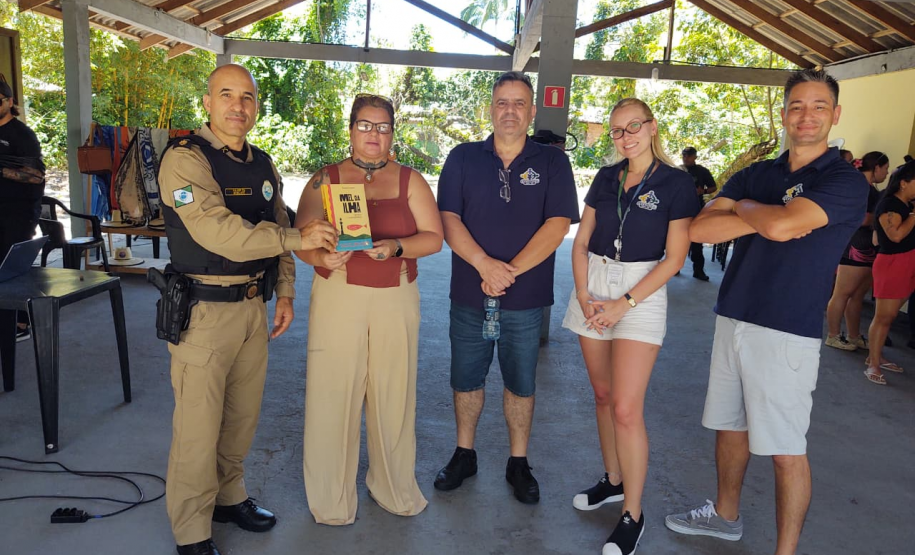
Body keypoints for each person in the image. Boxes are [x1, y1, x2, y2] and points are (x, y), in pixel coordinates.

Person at [665, 68, 868, 555]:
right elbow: (700, 230)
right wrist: (769, 214)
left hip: (786, 329)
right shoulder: (759, 173)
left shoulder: (843, 180)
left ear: (836, 114)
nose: (806, 116)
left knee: (785, 449)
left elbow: (778, 228)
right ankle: (725, 516)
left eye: (819, 106)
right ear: (783, 114)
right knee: (729, 426)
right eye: (797, 106)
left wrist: (745, 210)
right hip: (734, 314)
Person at [157, 64, 337, 555]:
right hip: (203, 311)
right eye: (227, 95)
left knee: (241, 418)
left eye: (248, 97)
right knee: (198, 428)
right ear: (207, 102)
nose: (238, 106)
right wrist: (298, 238)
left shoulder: (262, 163)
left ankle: (229, 496)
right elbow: (218, 231)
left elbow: (279, 223)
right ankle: (191, 530)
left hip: (253, 307)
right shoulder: (184, 159)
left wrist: (286, 291)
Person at [295, 94, 442, 525]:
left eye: (382, 127)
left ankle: (393, 488)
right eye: (365, 125)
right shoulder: (324, 179)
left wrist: (397, 246)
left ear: (392, 133)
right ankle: (331, 499)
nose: (373, 134)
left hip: (396, 295)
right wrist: (322, 256)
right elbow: (300, 238)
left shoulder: (411, 180)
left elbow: (434, 238)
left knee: (393, 393)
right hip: (338, 293)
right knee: (332, 393)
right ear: (351, 129)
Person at [433, 71, 579, 504]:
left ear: (531, 112)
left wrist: (508, 272)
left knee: (521, 383)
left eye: (519, 103)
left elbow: (557, 225)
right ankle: (464, 453)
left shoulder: (553, 163)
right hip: (469, 292)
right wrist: (483, 265)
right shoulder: (462, 157)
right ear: (490, 109)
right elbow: (448, 219)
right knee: (465, 379)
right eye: (502, 102)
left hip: (526, 298)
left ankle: (518, 462)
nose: (510, 111)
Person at [562, 98, 696, 555]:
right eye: (617, 130)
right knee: (602, 395)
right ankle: (613, 479)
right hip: (594, 283)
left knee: (625, 408)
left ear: (652, 127)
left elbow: (675, 259)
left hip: (642, 290)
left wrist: (623, 304)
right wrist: (584, 293)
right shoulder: (606, 177)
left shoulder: (677, 183)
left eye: (633, 126)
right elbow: (580, 242)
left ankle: (632, 515)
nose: (625, 137)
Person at [824, 151, 889, 351]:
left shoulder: (869, 189)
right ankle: (833, 335)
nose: (886, 173)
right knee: (842, 293)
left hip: (867, 248)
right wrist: (880, 218)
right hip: (854, 246)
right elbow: (858, 218)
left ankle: (853, 335)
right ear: (876, 167)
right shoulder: (859, 187)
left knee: (857, 295)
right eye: (885, 168)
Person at [0, 78, 45, 341]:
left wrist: (2, 171)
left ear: (10, 102)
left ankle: (21, 323)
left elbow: (36, 176)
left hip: (19, 212)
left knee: (12, 267)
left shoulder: (23, 135)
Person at [864, 160, 915, 385]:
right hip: (894, 263)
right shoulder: (889, 205)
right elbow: (895, 236)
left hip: (907, 262)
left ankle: (877, 357)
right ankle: (872, 363)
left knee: (890, 316)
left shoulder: (905, 204)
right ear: (904, 183)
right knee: (883, 317)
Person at [681, 146, 716, 281]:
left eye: (689, 156)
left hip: (696, 208)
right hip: (679, 208)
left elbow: (713, 187)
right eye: (684, 155)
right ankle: (674, 268)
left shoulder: (702, 171)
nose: (686, 158)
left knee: (696, 240)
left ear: (695, 157)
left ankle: (698, 270)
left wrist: (703, 191)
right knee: (677, 239)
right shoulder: (678, 171)